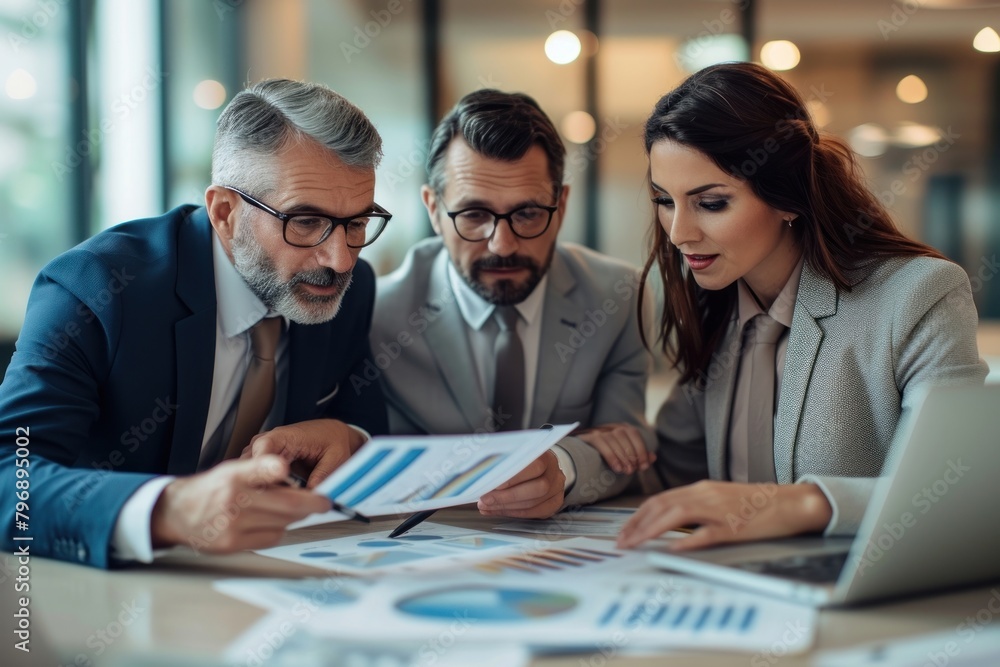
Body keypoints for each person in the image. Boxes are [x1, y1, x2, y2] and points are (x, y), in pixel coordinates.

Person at [0, 79, 390, 568]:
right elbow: (7, 476)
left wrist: (350, 436)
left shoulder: (348, 288)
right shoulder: (97, 288)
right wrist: (168, 510)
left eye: (357, 223)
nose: (339, 259)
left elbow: (370, 427)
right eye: (306, 222)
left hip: (281, 581)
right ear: (224, 212)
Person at [616, 62, 988, 550]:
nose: (679, 233)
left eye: (711, 203)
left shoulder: (919, 294)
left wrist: (801, 505)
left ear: (788, 197)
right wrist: (568, 467)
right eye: (664, 200)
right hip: (737, 592)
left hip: (864, 606)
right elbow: (668, 468)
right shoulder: (720, 305)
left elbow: (957, 495)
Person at [369, 89, 656, 519]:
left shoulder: (616, 296)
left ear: (560, 208)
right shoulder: (379, 314)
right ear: (433, 209)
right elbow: (380, 457)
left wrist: (563, 466)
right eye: (474, 215)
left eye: (526, 214)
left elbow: (630, 452)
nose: (502, 245)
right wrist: (581, 444)